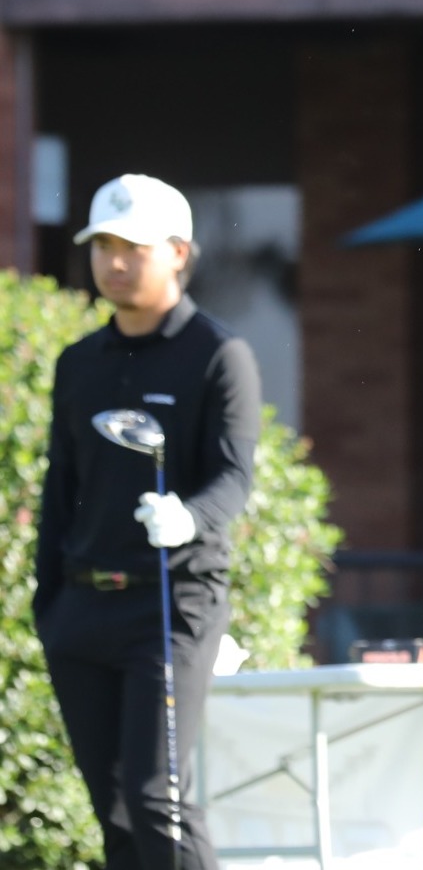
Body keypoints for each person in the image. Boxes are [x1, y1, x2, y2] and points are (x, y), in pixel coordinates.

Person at [33, 173, 262, 870]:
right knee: (112, 807)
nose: (116, 260)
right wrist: (51, 605)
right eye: (103, 244)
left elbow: (235, 476)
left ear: (179, 253)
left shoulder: (219, 356)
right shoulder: (79, 364)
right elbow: (60, 488)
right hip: (83, 610)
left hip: (170, 603)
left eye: (134, 245)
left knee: (155, 794)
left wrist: (187, 519)